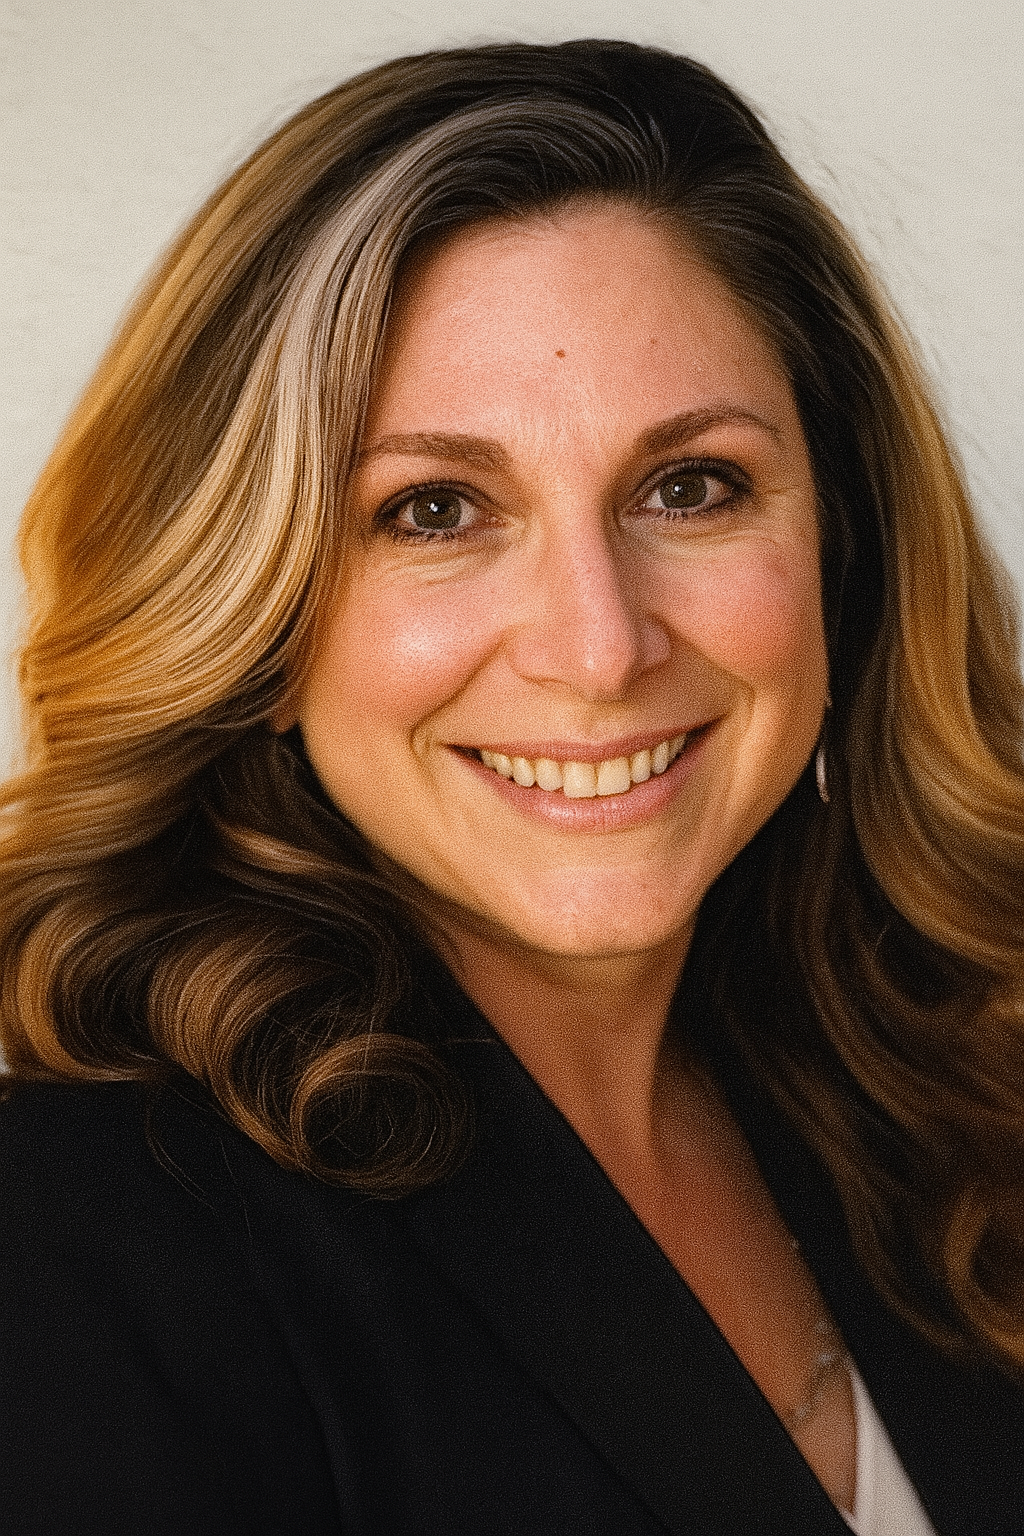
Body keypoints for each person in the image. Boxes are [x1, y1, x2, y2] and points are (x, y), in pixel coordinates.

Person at [1, 38, 1022, 1536]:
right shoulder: (78, 1247)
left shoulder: (933, 1116)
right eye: (434, 510)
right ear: (262, 623)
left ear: (843, 552)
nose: (600, 648)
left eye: (692, 486)